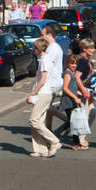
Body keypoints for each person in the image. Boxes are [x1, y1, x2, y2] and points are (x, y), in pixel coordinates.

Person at [26, 29, 63, 157]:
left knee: (33, 120)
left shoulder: (45, 61)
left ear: (38, 49)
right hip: (43, 93)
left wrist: (32, 93)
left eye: (34, 49)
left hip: (43, 93)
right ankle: (40, 149)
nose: (33, 51)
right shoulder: (43, 59)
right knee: (39, 122)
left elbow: (42, 80)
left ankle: (54, 141)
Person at [60, 53, 91, 150]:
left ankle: (75, 142)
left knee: (73, 121)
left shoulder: (72, 74)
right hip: (68, 100)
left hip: (72, 99)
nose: (74, 65)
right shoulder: (67, 74)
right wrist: (75, 97)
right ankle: (75, 143)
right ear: (67, 63)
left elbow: (72, 87)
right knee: (73, 122)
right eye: (72, 63)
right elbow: (65, 88)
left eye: (76, 63)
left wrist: (78, 92)